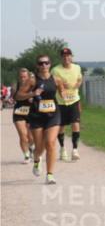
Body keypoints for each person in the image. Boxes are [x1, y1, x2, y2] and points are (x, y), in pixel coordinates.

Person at [29, 55, 62, 184]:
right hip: (36, 116)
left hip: (53, 114)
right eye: (41, 63)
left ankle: (50, 174)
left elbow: (62, 92)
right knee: (39, 147)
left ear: (50, 64)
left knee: (50, 143)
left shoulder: (56, 79)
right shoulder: (32, 81)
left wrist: (65, 96)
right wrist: (32, 94)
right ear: (37, 65)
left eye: (46, 63)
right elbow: (19, 95)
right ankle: (37, 160)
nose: (44, 66)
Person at [53, 46, 84, 161]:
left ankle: (75, 149)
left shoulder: (77, 68)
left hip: (74, 100)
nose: (66, 58)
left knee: (75, 124)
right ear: (61, 58)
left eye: (68, 56)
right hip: (61, 102)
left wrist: (78, 84)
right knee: (61, 127)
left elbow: (80, 78)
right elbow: (54, 83)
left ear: (71, 57)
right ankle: (62, 148)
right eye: (64, 56)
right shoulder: (56, 70)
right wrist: (60, 85)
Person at [12, 68, 36, 162]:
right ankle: (26, 155)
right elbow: (16, 97)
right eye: (21, 77)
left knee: (31, 136)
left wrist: (33, 97)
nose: (23, 79)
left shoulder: (33, 86)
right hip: (19, 112)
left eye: (25, 77)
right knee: (23, 135)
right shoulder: (15, 86)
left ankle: (31, 147)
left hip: (31, 112)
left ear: (28, 77)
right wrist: (28, 95)